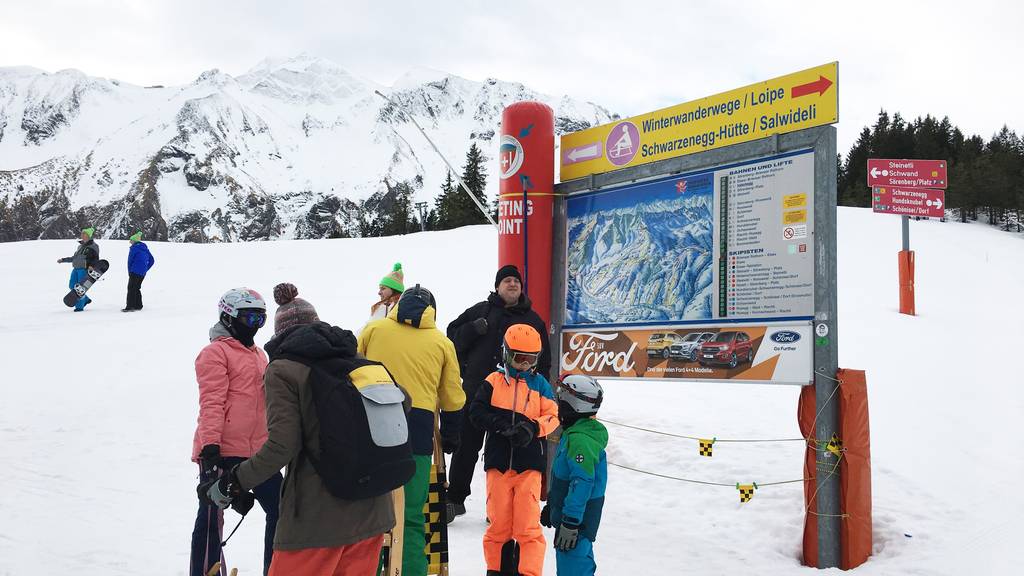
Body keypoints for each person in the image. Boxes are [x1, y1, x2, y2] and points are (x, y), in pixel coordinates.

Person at [199, 284, 400, 576]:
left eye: (261, 320)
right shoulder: (357, 362)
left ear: (280, 332)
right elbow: (401, 403)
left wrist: (235, 481)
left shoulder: (283, 368)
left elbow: (283, 444)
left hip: (317, 518)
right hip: (372, 513)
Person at [358, 284, 465, 576]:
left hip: (372, 429)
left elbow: (352, 369)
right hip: (416, 433)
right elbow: (453, 396)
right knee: (412, 517)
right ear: (432, 311)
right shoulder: (441, 342)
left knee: (372, 515)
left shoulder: (375, 330)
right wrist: (452, 433)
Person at [446, 264, 551, 522]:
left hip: (515, 400)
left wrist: (537, 392)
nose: (512, 284)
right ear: (497, 286)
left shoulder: (533, 320)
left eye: (516, 281)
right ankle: (455, 500)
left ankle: (501, 508)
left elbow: (544, 360)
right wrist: (472, 330)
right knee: (466, 447)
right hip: (476, 393)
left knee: (506, 453)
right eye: (507, 281)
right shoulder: (479, 311)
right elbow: (451, 338)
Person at [190, 288, 282, 576]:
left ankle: (275, 569)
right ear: (229, 316)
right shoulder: (214, 353)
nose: (254, 325)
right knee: (211, 518)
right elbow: (212, 401)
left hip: (257, 452)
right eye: (250, 318)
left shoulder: (258, 354)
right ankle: (204, 571)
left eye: (261, 319)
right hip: (222, 450)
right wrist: (211, 447)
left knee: (282, 509)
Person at [468, 324, 559, 576]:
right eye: (520, 358)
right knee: (499, 525)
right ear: (507, 354)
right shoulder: (493, 381)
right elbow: (476, 411)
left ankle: (528, 572)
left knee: (527, 526)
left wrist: (532, 427)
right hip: (498, 463)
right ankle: (496, 570)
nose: (525, 365)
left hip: (529, 465)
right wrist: (498, 424)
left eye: (531, 359)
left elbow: (553, 416)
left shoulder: (540, 385)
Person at [541, 375, 608, 576]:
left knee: (574, 568)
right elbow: (565, 477)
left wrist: (571, 522)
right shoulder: (574, 434)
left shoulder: (581, 441)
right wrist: (552, 505)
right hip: (571, 521)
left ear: (574, 406)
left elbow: (582, 482)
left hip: (577, 526)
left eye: (561, 403)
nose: (558, 407)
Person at [57, 227, 100, 311]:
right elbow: (74, 258)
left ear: (89, 236)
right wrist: (63, 260)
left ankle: (79, 307)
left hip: (84, 269)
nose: (82, 235)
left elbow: (96, 258)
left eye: (85, 234)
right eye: (82, 233)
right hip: (75, 268)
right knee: (72, 286)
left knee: (80, 288)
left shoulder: (94, 246)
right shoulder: (80, 246)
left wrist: (92, 265)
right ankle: (85, 299)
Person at [123, 231, 155, 312]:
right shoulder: (145, 249)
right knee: (137, 288)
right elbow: (152, 260)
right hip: (142, 273)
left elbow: (130, 261)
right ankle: (138, 305)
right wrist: (145, 269)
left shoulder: (134, 248)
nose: (130, 242)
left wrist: (129, 271)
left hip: (134, 271)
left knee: (131, 288)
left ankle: (130, 307)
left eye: (131, 240)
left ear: (134, 241)